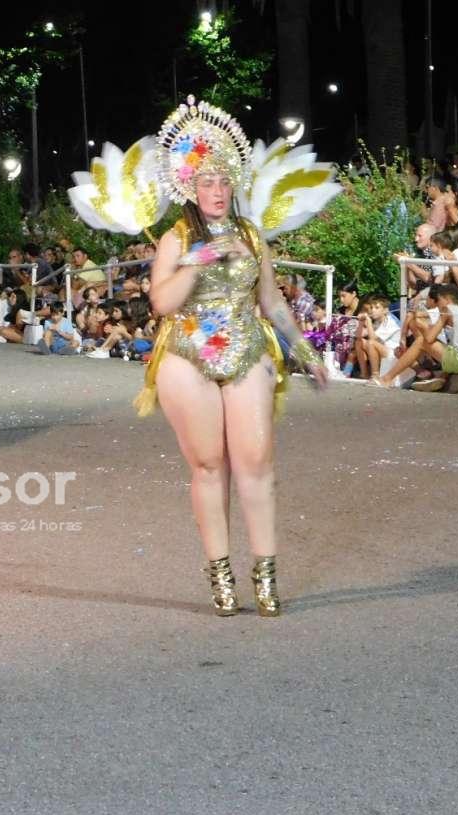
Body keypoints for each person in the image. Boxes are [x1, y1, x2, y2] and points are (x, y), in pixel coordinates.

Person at [135, 98, 328, 617]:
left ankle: (265, 573)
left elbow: (271, 301)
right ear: (189, 188)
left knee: (256, 461)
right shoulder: (176, 239)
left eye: (224, 182)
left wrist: (306, 352)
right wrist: (201, 257)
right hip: (187, 354)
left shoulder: (251, 235)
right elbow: (162, 303)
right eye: (207, 183)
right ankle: (220, 573)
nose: (218, 192)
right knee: (208, 463)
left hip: (245, 349)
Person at [373, 283, 458, 389]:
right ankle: (440, 376)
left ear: (447, 299)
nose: (437, 304)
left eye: (439, 300)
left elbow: (429, 339)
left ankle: (386, 379)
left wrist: (422, 327)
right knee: (441, 345)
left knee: (421, 341)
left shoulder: (447, 309)